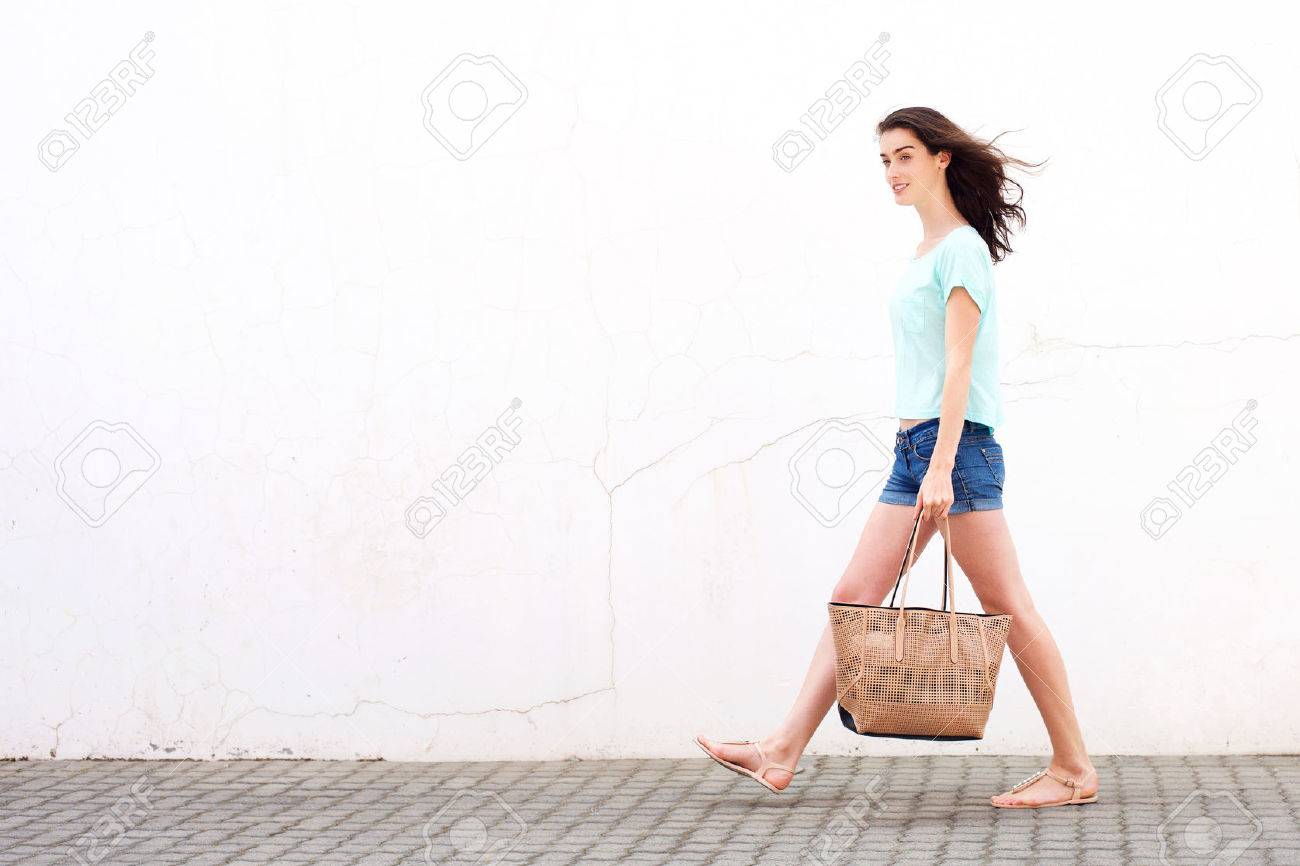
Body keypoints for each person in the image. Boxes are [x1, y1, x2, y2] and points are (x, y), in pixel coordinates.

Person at [696, 107, 1099, 809]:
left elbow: (958, 364)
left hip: (956, 449)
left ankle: (1072, 770)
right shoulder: (925, 252)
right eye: (884, 160)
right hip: (913, 451)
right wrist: (926, 459)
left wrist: (942, 464)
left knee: (1009, 606)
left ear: (942, 158)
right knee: (854, 600)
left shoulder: (962, 250)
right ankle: (782, 748)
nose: (892, 172)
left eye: (905, 156)